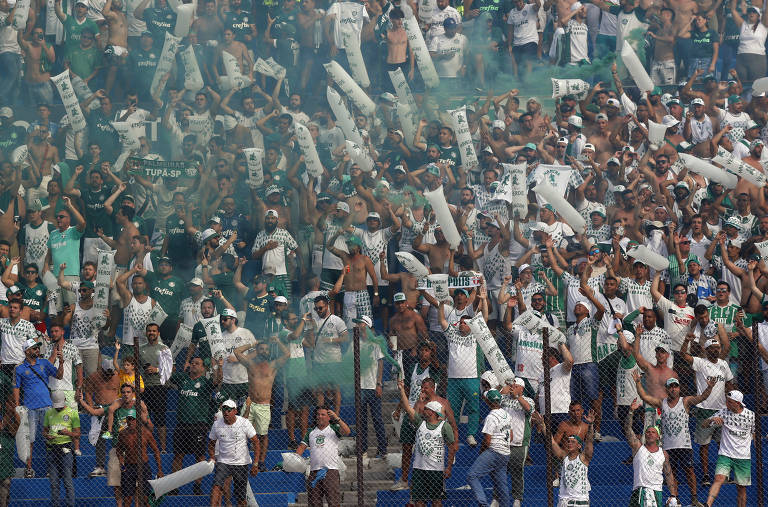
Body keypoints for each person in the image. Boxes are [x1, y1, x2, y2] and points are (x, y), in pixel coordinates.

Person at [634, 372, 715, 507]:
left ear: (679, 388)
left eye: (675, 386)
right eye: (670, 387)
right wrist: (637, 382)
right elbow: (645, 397)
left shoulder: (686, 401)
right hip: (668, 446)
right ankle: (675, 499)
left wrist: (710, 388)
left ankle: (694, 499)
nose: (673, 389)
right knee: (671, 474)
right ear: (666, 389)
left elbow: (701, 398)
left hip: (684, 445)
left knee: (689, 470)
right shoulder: (662, 402)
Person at [397, 379, 457, 507]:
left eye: (427, 409)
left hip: (436, 470)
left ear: (433, 412)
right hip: (419, 469)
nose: (424, 409)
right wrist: (402, 390)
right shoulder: (420, 422)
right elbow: (408, 408)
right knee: (419, 502)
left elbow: (452, 447)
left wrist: (449, 467)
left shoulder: (444, 426)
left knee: (436, 502)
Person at [234, 337, 289, 472]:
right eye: (261, 349)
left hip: (264, 405)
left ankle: (262, 462)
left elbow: (287, 354)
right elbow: (237, 352)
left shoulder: (273, 365)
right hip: (250, 403)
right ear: (257, 351)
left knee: (263, 435)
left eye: (266, 349)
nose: (264, 351)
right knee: (240, 432)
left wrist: (278, 341)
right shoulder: (250, 364)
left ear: (269, 351)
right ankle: (241, 460)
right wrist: (253, 343)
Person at [14, 338, 64, 477]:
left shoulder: (44, 363)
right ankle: (29, 468)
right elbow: (16, 387)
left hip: (47, 407)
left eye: (38, 348)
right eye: (35, 348)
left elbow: (59, 376)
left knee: (50, 438)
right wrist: (17, 406)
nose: (37, 350)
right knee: (30, 440)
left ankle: (52, 469)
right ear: (27, 351)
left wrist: (62, 362)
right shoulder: (20, 368)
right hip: (30, 409)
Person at [168, 356, 217, 495]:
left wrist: (217, 367)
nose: (194, 365)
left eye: (197, 363)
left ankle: (197, 486)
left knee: (199, 456)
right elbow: (169, 375)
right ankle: (174, 486)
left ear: (203, 368)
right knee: (178, 455)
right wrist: (168, 362)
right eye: (192, 363)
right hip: (182, 424)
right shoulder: (182, 378)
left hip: (199, 424)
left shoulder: (206, 382)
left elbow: (217, 381)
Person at [702, 390, 755, 507]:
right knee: (719, 479)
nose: (727, 404)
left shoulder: (750, 415)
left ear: (738, 403)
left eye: (730, 402)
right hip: (725, 454)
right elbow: (703, 425)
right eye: (727, 401)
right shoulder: (723, 413)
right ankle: (707, 505)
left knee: (741, 488)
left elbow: (754, 433)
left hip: (743, 456)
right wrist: (712, 420)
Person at [625, 399, 680, 507]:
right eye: (648, 432)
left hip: (657, 492)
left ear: (658, 436)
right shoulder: (638, 448)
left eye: (653, 432)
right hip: (640, 491)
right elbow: (627, 429)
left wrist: (673, 495)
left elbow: (668, 474)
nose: (650, 434)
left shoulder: (663, 454)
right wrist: (631, 411)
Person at [295, 406, 351, 507]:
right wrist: (293, 459)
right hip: (314, 472)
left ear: (328, 417)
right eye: (318, 414)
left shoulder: (334, 428)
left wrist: (337, 418)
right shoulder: (311, 432)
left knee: (333, 503)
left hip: (331, 471)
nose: (320, 416)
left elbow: (347, 431)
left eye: (323, 414)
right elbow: (301, 447)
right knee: (314, 503)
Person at [208, 399, 260, 507]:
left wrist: (255, 464)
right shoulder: (217, 424)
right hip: (223, 462)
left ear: (235, 411)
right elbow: (211, 443)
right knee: (216, 486)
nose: (226, 412)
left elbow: (256, 442)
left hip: (241, 463)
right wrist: (212, 458)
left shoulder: (244, 423)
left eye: (229, 409)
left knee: (241, 497)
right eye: (224, 409)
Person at [466, 389, 512, 507]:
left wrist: (482, 452)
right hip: (505, 453)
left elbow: (487, 441)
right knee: (501, 485)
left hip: (494, 452)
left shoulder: (491, 416)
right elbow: (511, 436)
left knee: (472, 475)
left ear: (488, 402)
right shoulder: (506, 414)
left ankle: (483, 504)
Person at [115, 408, 163, 507]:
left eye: (133, 419)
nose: (131, 422)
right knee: (127, 499)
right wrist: (121, 461)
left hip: (143, 466)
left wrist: (159, 469)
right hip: (129, 467)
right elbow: (119, 449)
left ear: (138, 420)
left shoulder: (146, 433)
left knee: (146, 498)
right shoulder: (123, 434)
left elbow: (156, 450)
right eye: (129, 419)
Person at [550, 409, 595, 507]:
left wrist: (590, 425)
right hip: (563, 502)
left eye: (573, 442)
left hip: (579, 501)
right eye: (568, 441)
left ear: (579, 446)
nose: (569, 443)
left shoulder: (583, 458)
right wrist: (544, 427)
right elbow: (552, 442)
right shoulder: (564, 456)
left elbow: (589, 442)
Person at [43, 391, 80, 507]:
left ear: (64, 400)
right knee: (54, 483)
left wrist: (67, 432)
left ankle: (70, 505)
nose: (58, 409)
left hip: (66, 450)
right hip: (52, 450)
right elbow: (44, 430)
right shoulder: (49, 412)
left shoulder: (72, 413)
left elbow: (78, 434)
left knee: (67, 481)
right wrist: (47, 435)